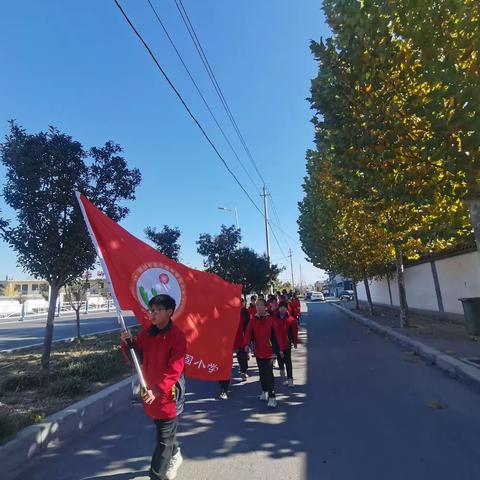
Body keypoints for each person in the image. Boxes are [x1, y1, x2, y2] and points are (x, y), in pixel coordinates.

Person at [121, 294, 186, 480]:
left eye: (158, 310)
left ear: (169, 312)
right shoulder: (148, 332)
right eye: (152, 310)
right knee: (164, 430)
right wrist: (128, 343)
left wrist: (157, 390)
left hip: (168, 395)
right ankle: (176, 454)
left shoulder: (177, 337)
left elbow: (175, 369)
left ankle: (156, 475)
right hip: (150, 392)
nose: (153, 314)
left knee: (164, 439)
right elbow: (137, 357)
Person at [244, 298, 287, 408]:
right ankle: (264, 391)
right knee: (262, 373)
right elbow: (248, 333)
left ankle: (272, 397)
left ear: (265, 307)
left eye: (260, 305)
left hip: (269, 352)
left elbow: (277, 336)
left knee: (269, 374)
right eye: (257, 305)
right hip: (258, 351)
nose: (258, 307)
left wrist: (280, 349)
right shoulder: (253, 320)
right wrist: (247, 345)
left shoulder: (270, 320)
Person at [273, 301, 298, 387]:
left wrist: (295, 342)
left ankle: (290, 379)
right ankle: (281, 368)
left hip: (287, 343)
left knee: (288, 361)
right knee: (280, 359)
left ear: (287, 308)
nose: (282, 309)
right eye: (281, 307)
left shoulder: (291, 320)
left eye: (284, 307)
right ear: (278, 308)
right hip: (277, 343)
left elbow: (294, 332)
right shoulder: (274, 319)